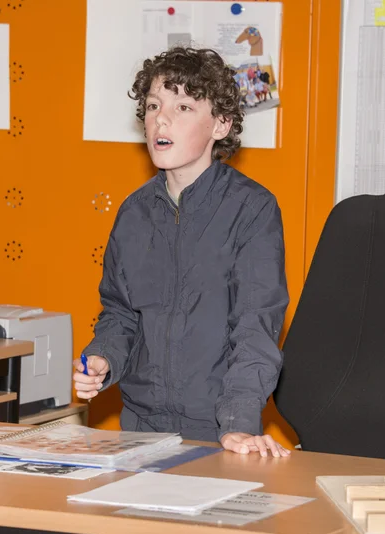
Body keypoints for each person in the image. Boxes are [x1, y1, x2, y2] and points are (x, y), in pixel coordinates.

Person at [73, 46, 290, 458]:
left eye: (184, 106)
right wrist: (103, 357)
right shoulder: (133, 213)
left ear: (221, 125)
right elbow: (120, 314)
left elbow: (255, 326)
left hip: (218, 430)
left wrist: (239, 423)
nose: (162, 118)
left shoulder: (253, 209)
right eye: (154, 105)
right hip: (139, 431)